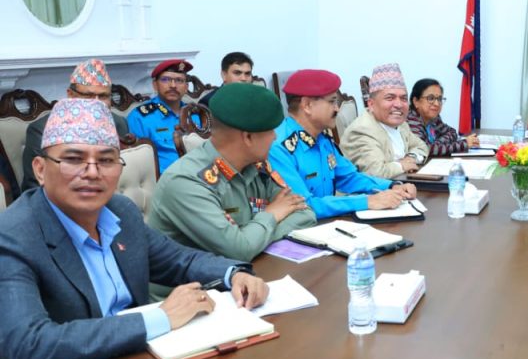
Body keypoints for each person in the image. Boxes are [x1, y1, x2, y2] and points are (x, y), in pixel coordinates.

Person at [0, 99, 269, 359]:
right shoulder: (12, 237)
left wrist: (234, 274)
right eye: (74, 159)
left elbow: (177, 259)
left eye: (106, 161)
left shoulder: (120, 211)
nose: (92, 173)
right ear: (40, 169)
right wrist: (160, 318)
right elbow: (27, 347)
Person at [147, 83, 316, 262]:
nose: (275, 137)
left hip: (246, 269)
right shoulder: (186, 182)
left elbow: (305, 214)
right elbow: (239, 250)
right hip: (193, 279)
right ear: (248, 137)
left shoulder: (255, 166)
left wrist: (255, 238)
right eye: (270, 131)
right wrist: (272, 215)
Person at [268, 69, 417, 218]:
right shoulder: (278, 147)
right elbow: (302, 206)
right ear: (307, 105)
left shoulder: (321, 139)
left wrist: (391, 186)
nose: (337, 108)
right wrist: (367, 201)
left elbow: (348, 177)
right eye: (332, 101)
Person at [21, 58, 132, 193]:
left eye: (103, 96)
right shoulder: (42, 130)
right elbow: (34, 188)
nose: (97, 103)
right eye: (89, 95)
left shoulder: (118, 123)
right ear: (70, 95)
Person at [340, 63, 429, 179]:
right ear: (371, 104)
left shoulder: (401, 125)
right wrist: (401, 166)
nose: (399, 104)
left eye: (403, 98)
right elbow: (375, 172)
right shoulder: (362, 130)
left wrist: (411, 157)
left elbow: (422, 147)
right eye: (390, 98)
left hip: (401, 185)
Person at [126, 58, 194, 174]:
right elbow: (138, 163)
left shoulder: (196, 114)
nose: (173, 85)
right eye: (165, 79)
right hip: (165, 179)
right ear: (155, 85)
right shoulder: (140, 117)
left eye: (179, 80)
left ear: (186, 87)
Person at [407, 77, 480, 156]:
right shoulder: (412, 120)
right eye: (430, 98)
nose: (437, 104)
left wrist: (437, 143)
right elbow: (425, 149)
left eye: (439, 99)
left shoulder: (434, 118)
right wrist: (463, 144)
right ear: (416, 101)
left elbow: (452, 132)